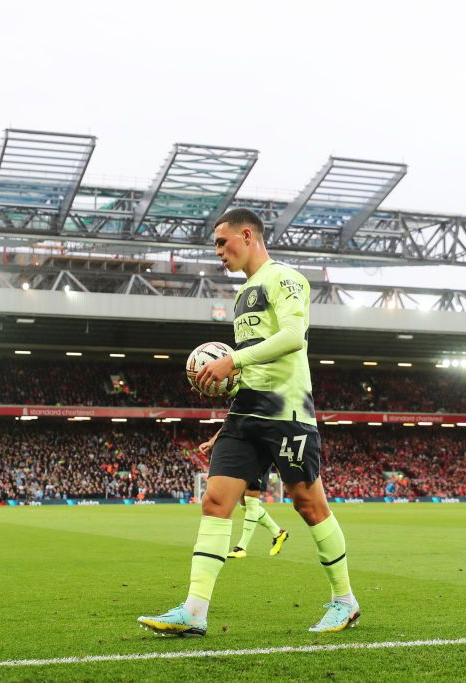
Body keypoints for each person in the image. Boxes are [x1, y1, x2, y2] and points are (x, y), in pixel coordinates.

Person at [138, 208, 359, 636]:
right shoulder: (242, 296)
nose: (219, 252)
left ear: (247, 235)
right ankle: (195, 610)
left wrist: (231, 359)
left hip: (287, 411)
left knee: (308, 504)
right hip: (246, 411)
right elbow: (256, 368)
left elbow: (294, 337)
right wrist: (226, 420)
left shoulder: (285, 278)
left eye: (223, 243)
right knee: (216, 501)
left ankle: (344, 601)